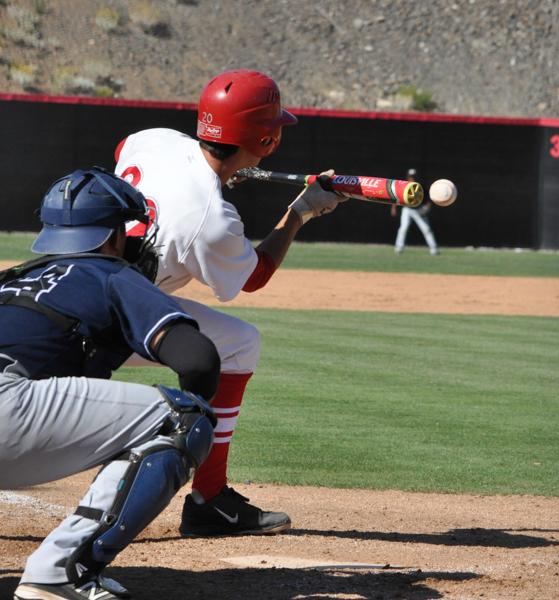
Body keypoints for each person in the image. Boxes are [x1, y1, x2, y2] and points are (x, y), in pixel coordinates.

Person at [114, 69, 346, 537]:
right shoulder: (211, 218)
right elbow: (254, 276)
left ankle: (211, 498)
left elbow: (123, 150)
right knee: (239, 345)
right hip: (115, 316)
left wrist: (215, 176)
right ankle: (208, 500)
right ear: (268, 140)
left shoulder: (156, 139)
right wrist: (299, 213)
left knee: (237, 340)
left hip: (79, 281)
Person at [2, 167, 221, 600]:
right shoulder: (108, 273)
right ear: (111, 236)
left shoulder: (9, 281)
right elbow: (199, 360)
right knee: (183, 418)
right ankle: (59, 574)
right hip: (7, 412)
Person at [391, 168, 439, 255]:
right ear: (408, 177)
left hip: (418, 210)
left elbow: (427, 201)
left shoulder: (421, 186)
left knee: (426, 229)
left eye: (414, 176)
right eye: (411, 176)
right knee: (403, 228)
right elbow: (397, 196)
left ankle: (434, 249)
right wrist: (393, 208)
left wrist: (426, 208)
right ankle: (399, 248)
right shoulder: (404, 185)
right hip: (407, 209)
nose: (412, 178)